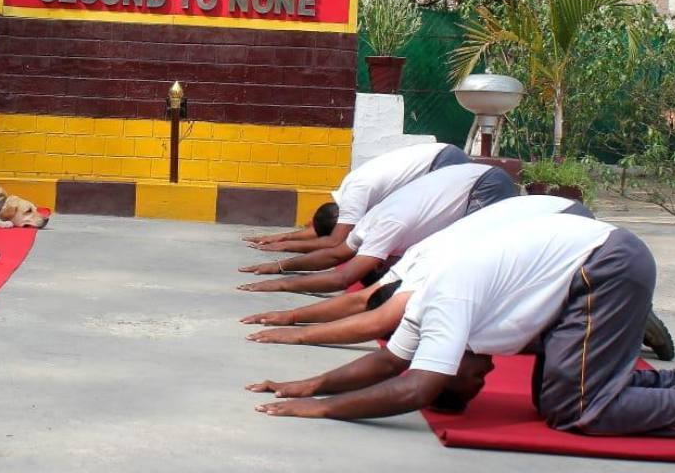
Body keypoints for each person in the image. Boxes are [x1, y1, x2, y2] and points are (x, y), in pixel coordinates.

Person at [247, 213, 675, 442]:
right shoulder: (429, 307)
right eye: (478, 388)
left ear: (448, 362)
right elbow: (388, 360)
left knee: (579, 411)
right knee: (556, 398)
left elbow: (414, 385)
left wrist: (319, 406)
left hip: (605, 265)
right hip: (596, 267)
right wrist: (310, 382)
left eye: (467, 385)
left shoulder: (446, 301)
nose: (485, 379)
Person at [241, 194, 592, 346]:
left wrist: (294, 325)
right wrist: (289, 312)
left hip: (562, 221)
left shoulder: (428, 274)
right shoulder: (409, 264)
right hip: (543, 212)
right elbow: (361, 301)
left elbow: (356, 296)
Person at [238, 163, 515, 294]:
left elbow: (342, 278)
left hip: (481, 183)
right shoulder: (368, 225)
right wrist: (280, 266)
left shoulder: (383, 227)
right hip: (473, 179)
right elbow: (336, 255)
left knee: (469, 260)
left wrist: (282, 282)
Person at [243, 143, 469, 253]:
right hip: (441, 157)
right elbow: (326, 231)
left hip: (442, 162)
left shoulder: (355, 196)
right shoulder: (346, 196)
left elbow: (334, 241)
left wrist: (284, 248)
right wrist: (280, 237)